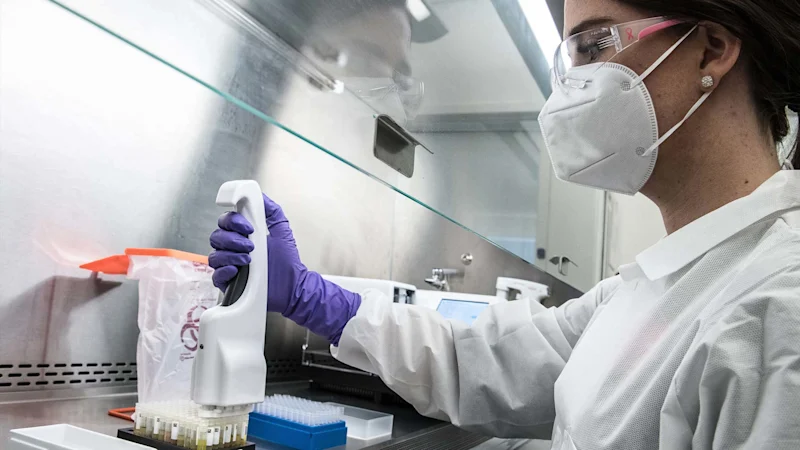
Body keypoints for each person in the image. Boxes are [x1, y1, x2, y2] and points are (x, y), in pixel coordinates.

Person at [208, 0, 800, 447]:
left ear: (713, 47)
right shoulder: (649, 286)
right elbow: (489, 362)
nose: (572, 88)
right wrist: (318, 300)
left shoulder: (777, 304)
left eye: (593, 47)